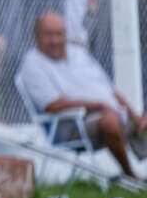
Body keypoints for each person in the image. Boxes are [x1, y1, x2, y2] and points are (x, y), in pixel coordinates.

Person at [18, 12, 147, 181]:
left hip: (111, 114)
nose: (55, 40)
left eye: (59, 34)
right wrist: (97, 106)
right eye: (49, 35)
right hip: (70, 126)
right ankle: (130, 176)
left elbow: (111, 91)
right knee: (109, 121)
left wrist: (135, 116)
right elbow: (52, 105)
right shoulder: (33, 64)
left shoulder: (78, 54)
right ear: (37, 36)